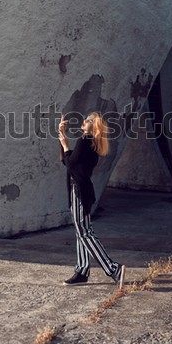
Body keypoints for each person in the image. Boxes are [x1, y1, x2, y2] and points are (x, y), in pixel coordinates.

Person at [58, 111, 126, 286]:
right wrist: (63, 139)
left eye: (88, 120)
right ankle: (82, 270)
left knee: (84, 233)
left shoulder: (85, 141)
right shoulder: (90, 143)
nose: (83, 121)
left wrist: (65, 145)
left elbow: (70, 163)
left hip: (79, 191)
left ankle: (113, 268)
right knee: (82, 232)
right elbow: (68, 161)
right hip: (81, 191)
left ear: (93, 126)